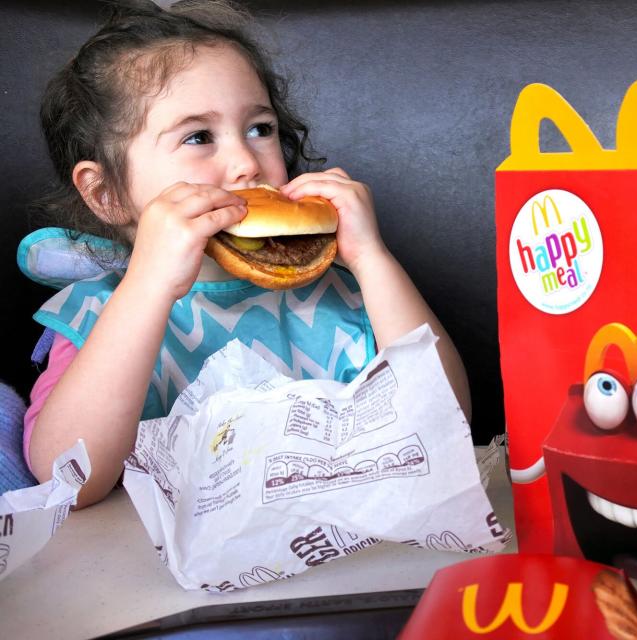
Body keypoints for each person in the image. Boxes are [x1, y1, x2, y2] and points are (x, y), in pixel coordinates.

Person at [21, 0, 470, 508]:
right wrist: (148, 286)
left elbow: (445, 422)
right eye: (198, 137)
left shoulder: (343, 297)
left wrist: (373, 260)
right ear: (107, 195)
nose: (244, 163)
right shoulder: (99, 315)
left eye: (260, 128)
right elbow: (68, 482)